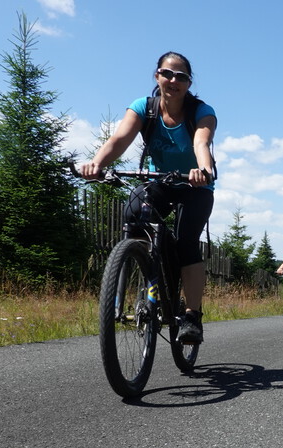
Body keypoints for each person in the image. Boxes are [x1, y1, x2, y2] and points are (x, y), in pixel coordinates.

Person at [79, 51, 216, 344]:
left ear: (189, 83)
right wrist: (97, 163)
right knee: (133, 214)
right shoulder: (144, 108)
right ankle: (148, 264)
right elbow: (119, 139)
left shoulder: (201, 112)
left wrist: (203, 169)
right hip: (159, 182)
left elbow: (201, 141)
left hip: (195, 186)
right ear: (157, 76)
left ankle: (192, 315)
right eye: (167, 74)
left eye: (181, 77)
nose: (173, 80)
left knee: (187, 243)